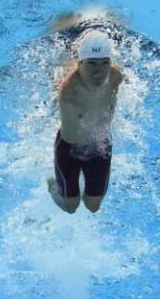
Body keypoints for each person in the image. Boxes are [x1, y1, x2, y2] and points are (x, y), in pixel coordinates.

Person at [47, 30, 123, 214]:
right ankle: (52, 186)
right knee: (71, 207)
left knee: (93, 207)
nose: (99, 70)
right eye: (92, 63)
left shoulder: (116, 77)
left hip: (100, 149)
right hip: (69, 152)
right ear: (80, 63)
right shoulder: (68, 90)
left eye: (105, 62)